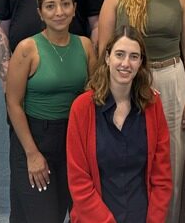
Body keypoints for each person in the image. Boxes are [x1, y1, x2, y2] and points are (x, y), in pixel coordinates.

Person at [98, 0, 185, 223]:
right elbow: (104, 48)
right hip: (127, 82)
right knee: (131, 157)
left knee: (171, 160)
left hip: (171, 79)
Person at [6, 0, 98, 222]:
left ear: (74, 7)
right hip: (35, 138)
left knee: (72, 211)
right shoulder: (27, 49)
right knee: (42, 216)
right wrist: (32, 154)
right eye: (50, 6)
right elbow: (13, 103)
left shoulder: (85, 46)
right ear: (40, 13)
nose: (59, 12)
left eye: (65, 4)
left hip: (72, 138)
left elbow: (94, 95)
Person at [67, 25, 172, 222]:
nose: (126, 63)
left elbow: (162, 178)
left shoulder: (153, 106)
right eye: (119, 54)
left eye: (134, 56)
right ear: (107, 58)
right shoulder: (82, 108)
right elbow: (78, 181)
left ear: (141, 62)